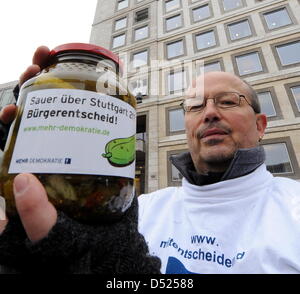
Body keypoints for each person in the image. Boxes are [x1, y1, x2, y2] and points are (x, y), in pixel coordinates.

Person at [0, 46, 300, 274]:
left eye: (228, 101)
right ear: (187, 126)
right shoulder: (139, 209)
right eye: (195, 106)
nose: (209, 112)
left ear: (261, 125)